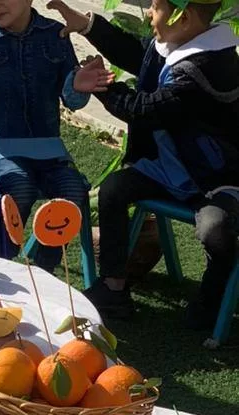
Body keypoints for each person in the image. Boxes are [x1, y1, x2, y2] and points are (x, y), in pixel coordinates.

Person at [49, 0, 239, 325]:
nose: (149, 12)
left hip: (215, 178)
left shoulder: (210, 67)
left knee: (214, 228)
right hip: (168, 169)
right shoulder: (180, 41)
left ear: (183, 17)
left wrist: (102, 85)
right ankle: (113, 287)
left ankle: (215, 296)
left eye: (154, 6)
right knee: (114, 189)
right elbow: (139, 54)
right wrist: (87, 25)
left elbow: (144, 110)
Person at [0, 0, 110, 271]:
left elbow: (72, 100)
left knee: (74, 190)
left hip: (47, 149)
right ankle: (3, 262)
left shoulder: (56, 35)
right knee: (20, 187)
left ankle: (42, 268)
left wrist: (78, 86)